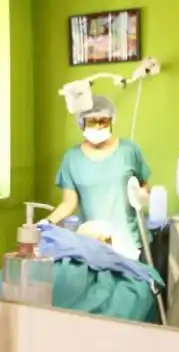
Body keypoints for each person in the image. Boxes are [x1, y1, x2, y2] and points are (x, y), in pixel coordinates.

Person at [45, 95, 151, 258]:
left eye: (103, 121)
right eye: (92, 122)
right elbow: (69, 203)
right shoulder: (72, 159)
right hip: (91, 242)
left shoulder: (129, 151)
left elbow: (144, 184)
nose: (98, 126)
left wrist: (144, 193)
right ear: (82, 123)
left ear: (111, 121)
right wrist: (47, 223)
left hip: (128, 242)